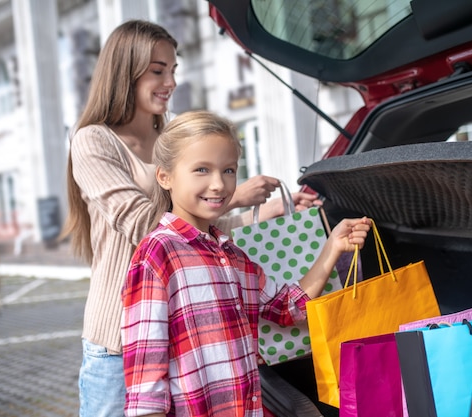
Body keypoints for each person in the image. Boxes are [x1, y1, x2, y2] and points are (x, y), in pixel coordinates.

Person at [60, 20, 321, 417]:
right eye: (158, 70)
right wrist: (235, 198)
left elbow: (199, 232)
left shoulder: (170, 135)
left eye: (174, 69)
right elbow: (144, 224)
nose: (171, 81)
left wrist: (266, 213)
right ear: (124, 72)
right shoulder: (94, 140)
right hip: (119, 338)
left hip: (185, 333)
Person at [121, 110, 371, 417]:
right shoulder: (156, 256)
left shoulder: (234, 257)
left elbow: (287, 307)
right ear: (165, 176)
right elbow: (146, 387)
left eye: (228, 170)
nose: (219, 185)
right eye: (202, 169)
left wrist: (332, 246)